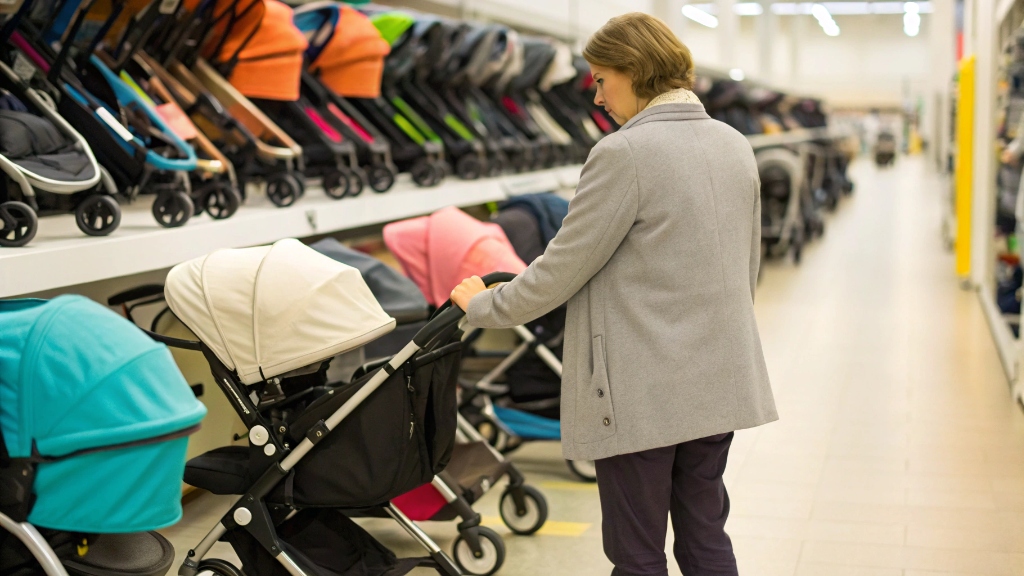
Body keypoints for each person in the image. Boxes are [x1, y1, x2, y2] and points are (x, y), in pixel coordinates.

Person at [450, 12, 777, 576]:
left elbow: (560, 269)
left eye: (601, 79)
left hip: (642, 392)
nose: (597, 96)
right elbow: (746, 268)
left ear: (634, 70)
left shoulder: (623, 154)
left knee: (636, 553)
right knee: (705, 535)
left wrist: (483, 305)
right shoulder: (734, 144)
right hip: (720, 377)